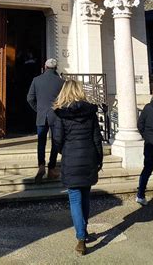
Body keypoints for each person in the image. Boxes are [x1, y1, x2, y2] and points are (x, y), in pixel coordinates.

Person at [48, 80, 103, 256]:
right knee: (85, 196)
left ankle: (80, 237)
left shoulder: (60, 114)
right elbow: (97, 138)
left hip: (71, 158)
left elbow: (57, 141)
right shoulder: (90, 112)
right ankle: (83, 232)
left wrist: (61, 155)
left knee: (75, 198)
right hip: (88, 157)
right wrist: (99, 159)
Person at [27, 58, 64, 183]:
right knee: (56, 141)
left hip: (42, 115)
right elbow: (64, 100)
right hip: (56, 116)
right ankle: (52, 168)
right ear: (56, 68)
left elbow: (30, 98)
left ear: (45, 67)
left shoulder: (36, 80)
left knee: (41, 142)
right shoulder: (61, 82)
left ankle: (41, 165)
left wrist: (38, 109)